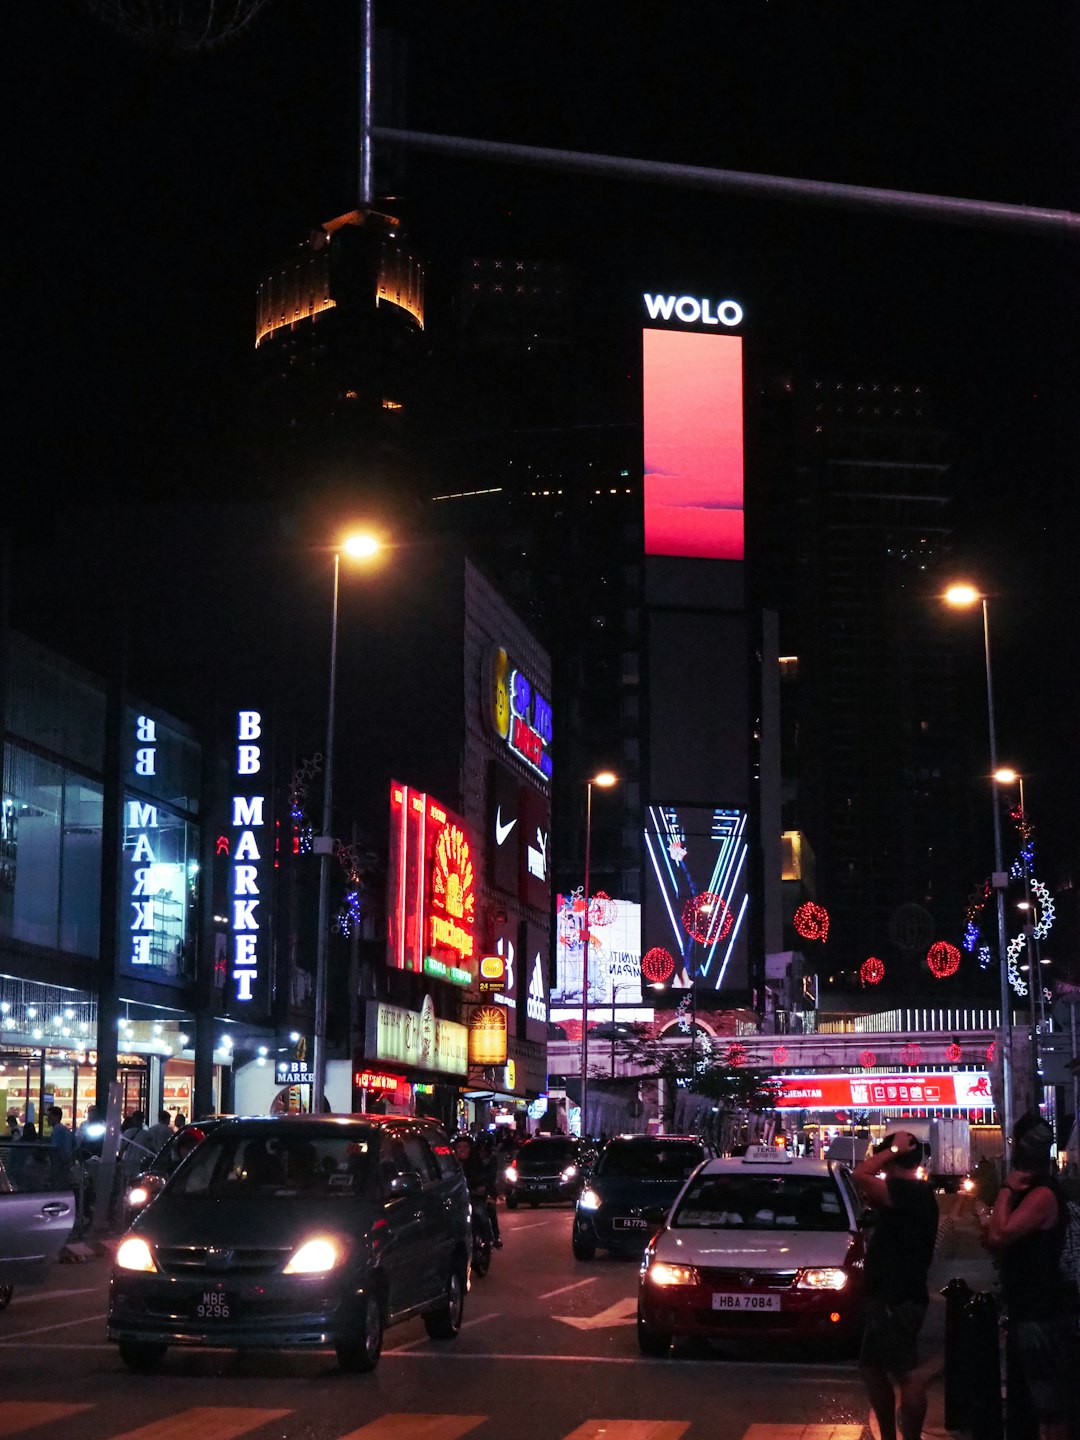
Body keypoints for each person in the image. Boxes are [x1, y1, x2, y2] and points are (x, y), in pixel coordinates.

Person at [985, 1115, 1079, 1440]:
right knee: (1038, 1405)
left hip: (1042, 1313)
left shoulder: (1041, 1194)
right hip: (1034, 1310)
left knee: (1049, 1409)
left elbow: (1000, 1235)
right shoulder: (1041, 1191)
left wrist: (1006, 1189)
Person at [852, 1131, 939, 1440]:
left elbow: (859, 1174)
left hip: (896, 1295)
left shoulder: (907, 1191)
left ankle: (908, 1436)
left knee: (906, 1373)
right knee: (873, 1368)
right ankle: (889, 1435)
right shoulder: (913, 1194)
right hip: (892, 1293)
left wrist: (891, 1148)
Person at [46, 1105, 75, 1185]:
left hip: (59, 1166)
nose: (47, 1119)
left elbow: (56, 1148)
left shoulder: (58, 1130)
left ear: (56, 1117)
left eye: (50, 1116)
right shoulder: (65, 1130)